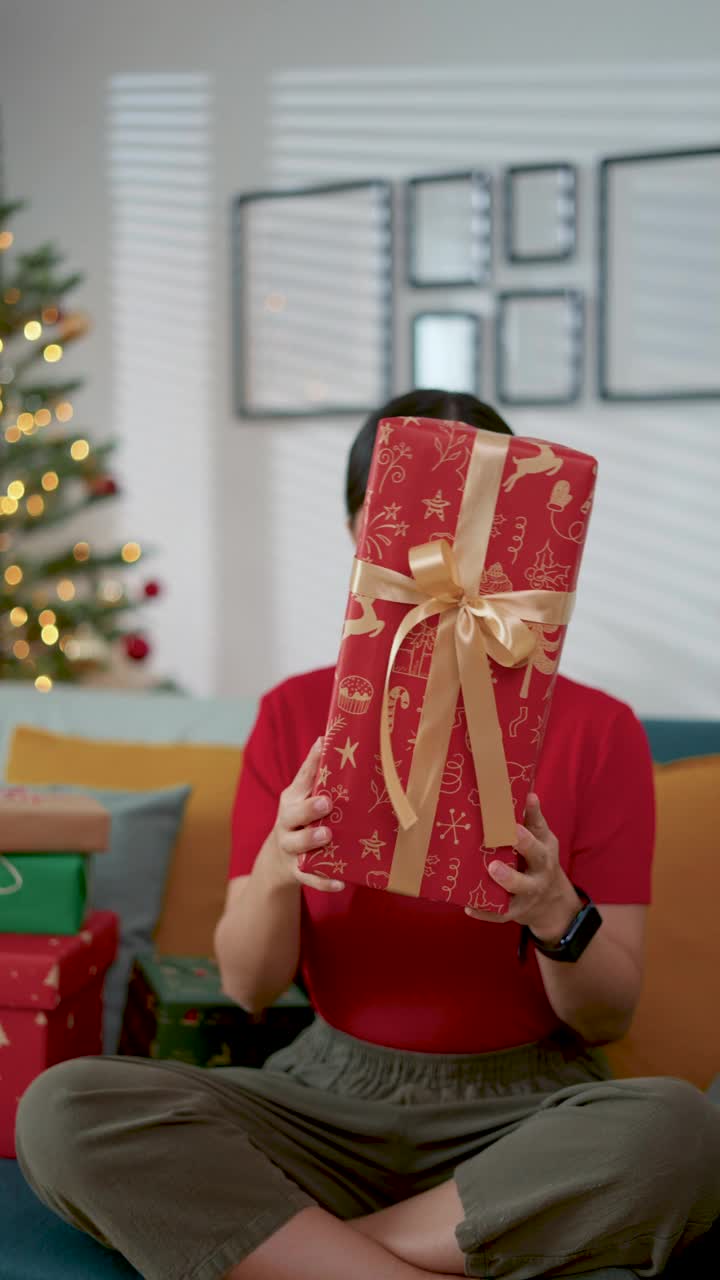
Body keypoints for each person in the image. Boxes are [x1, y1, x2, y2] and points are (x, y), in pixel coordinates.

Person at [17, 390, 720, 1280]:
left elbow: (607, 1013)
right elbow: (249, 983)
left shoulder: (601, 730)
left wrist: (554, 911)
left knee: (680, 1132)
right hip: (321, 1108)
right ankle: (434, 1253)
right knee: (63, 1108)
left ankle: (303, 1252)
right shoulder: (296, 715)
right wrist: (279, 863)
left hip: (528, 1116)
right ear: (364, 533)